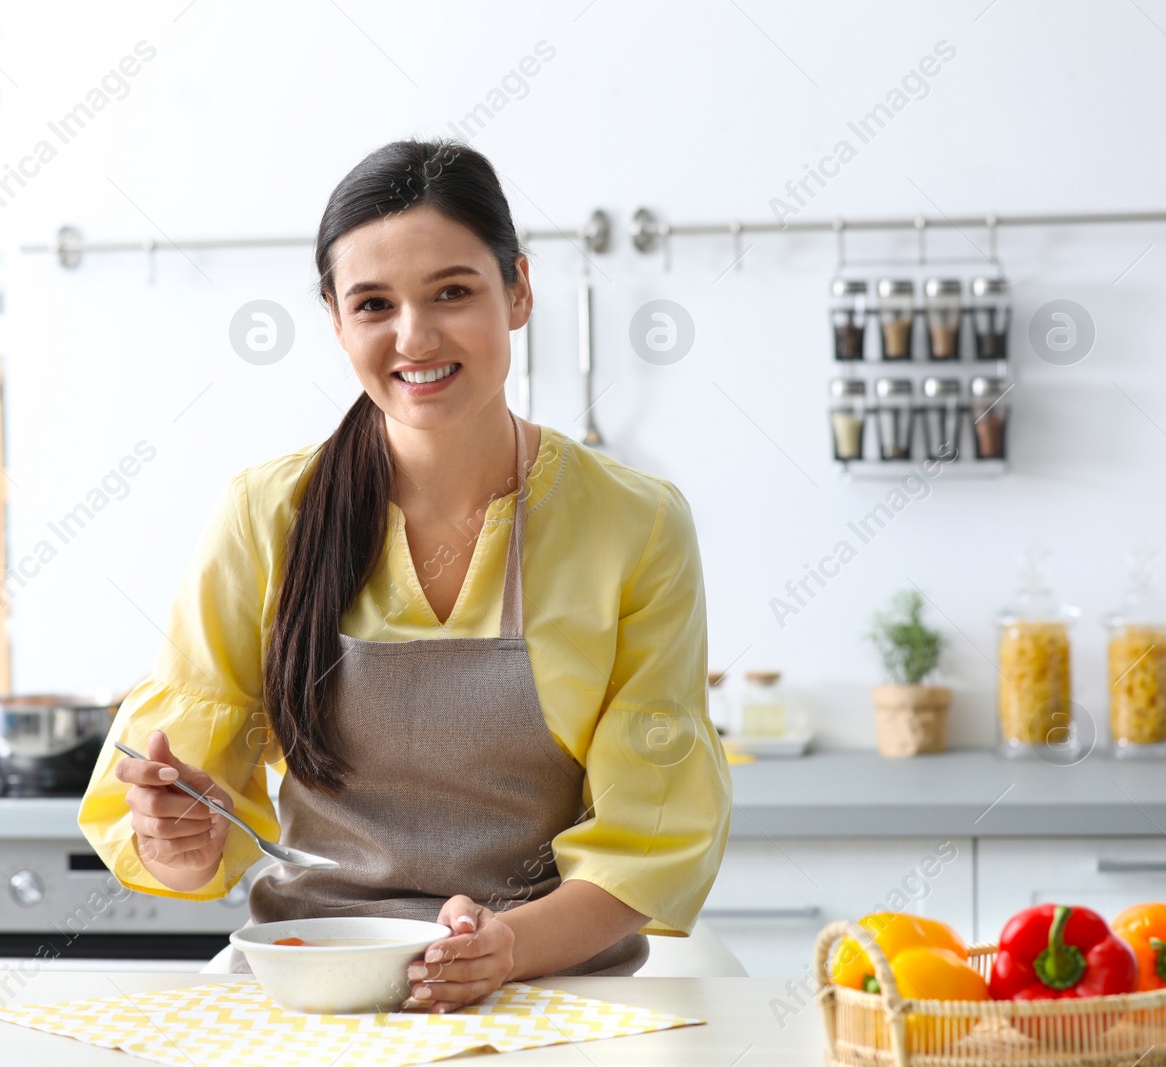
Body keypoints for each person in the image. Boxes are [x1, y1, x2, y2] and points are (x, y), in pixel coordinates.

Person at [79, 138, 732, 1012]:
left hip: (549, 984)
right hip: (311, 981)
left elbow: (649, 835)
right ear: (335, 318)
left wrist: (506, 948)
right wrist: (180, 838)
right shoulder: (264, 515)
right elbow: (189, 835)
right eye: (374, 304)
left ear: (520, 291)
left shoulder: (636, 523)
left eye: (452, 292)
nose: (415, 337)